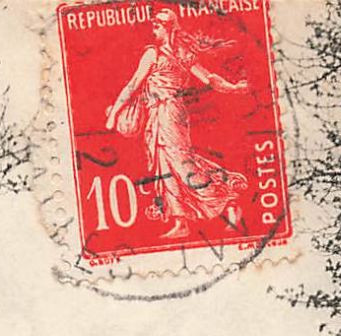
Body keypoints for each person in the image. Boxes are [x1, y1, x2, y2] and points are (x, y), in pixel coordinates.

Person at [104, 9, 252, 239]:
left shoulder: (159, 54)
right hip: (160, 114)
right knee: (165, 165)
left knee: (182, 164)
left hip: (170, 113)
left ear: (168, 27)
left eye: (157, 26)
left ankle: (227, 200)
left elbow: (208, 78)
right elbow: (210, 79)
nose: (153, 30)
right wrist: (115, 112)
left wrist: (233, 88)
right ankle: (180, 221)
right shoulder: (174, 54)